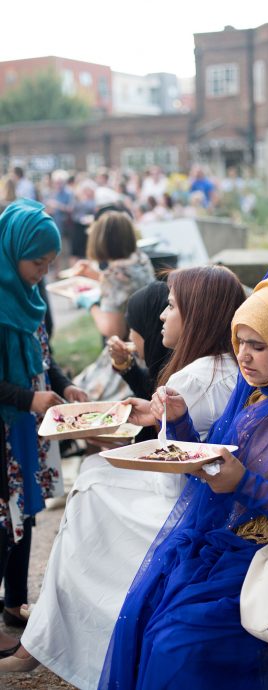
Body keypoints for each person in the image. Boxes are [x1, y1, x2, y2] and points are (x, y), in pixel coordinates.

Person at [97, 265, 268, 690]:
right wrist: (180, 424)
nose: (243, 356)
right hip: (227, 547)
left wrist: (245, 484)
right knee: (146, 617)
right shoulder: (256, 390)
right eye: (240, 342)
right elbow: (213, 468)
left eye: (258, 345)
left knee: (178, 645)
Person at [1, 266, 246, 688]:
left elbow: (174, 471)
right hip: (212, 498)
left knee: (91, 484)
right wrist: (145, 421)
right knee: (94, 477)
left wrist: (123, 445)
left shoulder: (192, 377)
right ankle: (43, 639)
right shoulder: (223, 366)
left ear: (199, 315)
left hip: (189, 509)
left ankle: (58, 642)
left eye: (172, 306)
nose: (164, 317)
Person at [0, 200, 87, 648]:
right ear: (12, 250)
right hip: (5, 428)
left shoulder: (30, 297)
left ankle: (15, 601)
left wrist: (65, 385)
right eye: (37, 262)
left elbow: (44, 357)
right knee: (1, 519)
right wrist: (28, 398)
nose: (43, 272)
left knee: (26, 513)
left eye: (50, 264)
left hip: (26, 430)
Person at [72, 210, 155, 400]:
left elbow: (111, 329)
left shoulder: (114, 275)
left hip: (127, 352)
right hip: (147, 347)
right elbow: (127, 285)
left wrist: (89, 303)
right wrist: (95, 276)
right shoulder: (140, 259)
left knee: (82, 395)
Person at [107, 280, 170, 441]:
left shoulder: (177, 372)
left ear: (150, 328)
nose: (129, 336)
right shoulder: (165, 362)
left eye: (133, 327)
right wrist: (123, 363)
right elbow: (149, 388)